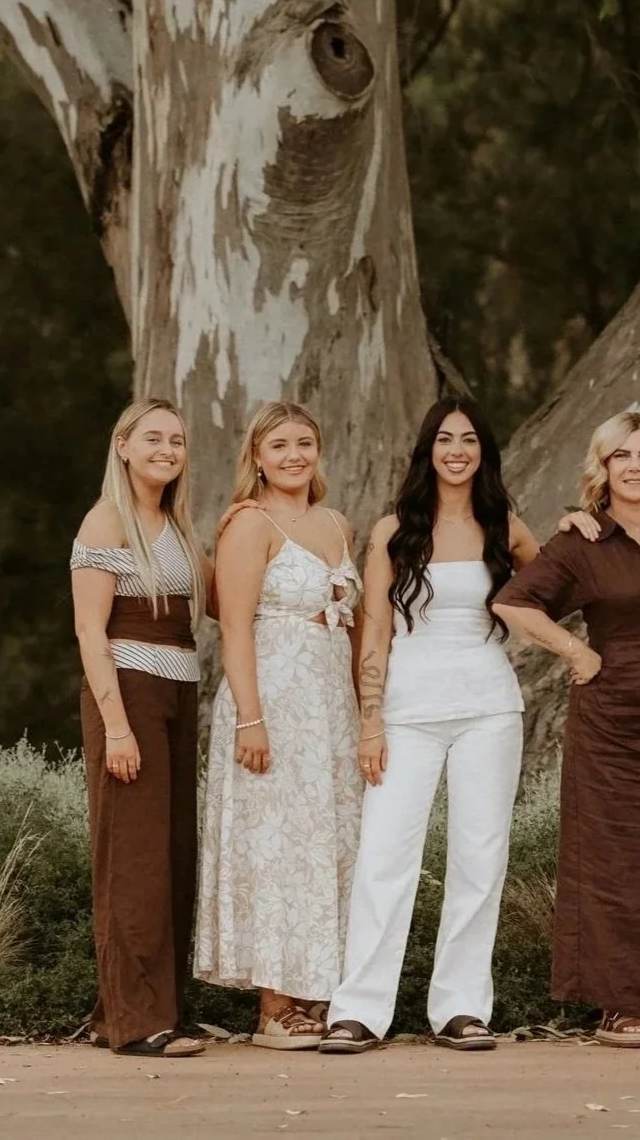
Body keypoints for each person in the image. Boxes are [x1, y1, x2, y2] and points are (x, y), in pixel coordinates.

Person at [319, 397, 542, 1054]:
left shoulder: (506, 528)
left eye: (469, 439)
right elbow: (375, 634)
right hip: (407, 711)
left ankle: (461, 1008)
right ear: (428, 450)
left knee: (480, 857)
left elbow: (557, 587)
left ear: (483, 452)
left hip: (489, 708)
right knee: (384, 857)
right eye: (445, 439)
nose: (457, 450)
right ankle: (359, 1010)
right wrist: (370, 721)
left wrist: (581, 527)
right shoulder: (394, 531)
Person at [492, 411, 640, 1049]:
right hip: (610, 722)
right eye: (622, 456)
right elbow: (511, 602)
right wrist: (576, 650)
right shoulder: (583, 540)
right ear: (604, 466)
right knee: (613, 861)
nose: (635, 466)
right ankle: (620, 1007)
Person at [194, 401, 362, 1051]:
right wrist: (251, 719)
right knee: (273, 845)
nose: (294, 455)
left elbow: (352, 626)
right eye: (280, 445)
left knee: (323, 844)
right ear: (258, 458)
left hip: (330, 708)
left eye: (304, 443)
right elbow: (234, 627)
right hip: (271, 700)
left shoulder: (336, 523)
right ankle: (273, 1007)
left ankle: (316, 992)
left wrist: (364, 714)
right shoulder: (248, 524)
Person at [69, 398, 211, 1059]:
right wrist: (117, 728)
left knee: (172, 850)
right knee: (135, 856)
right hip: (128, 691)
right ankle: (137, 1022)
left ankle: (145, 1010)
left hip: (179, 690)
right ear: (122, 445)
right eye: (152, 438)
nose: (166, 449)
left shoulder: (176, 523)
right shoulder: (106, 519)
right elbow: (89, 630)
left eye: (176, 440)